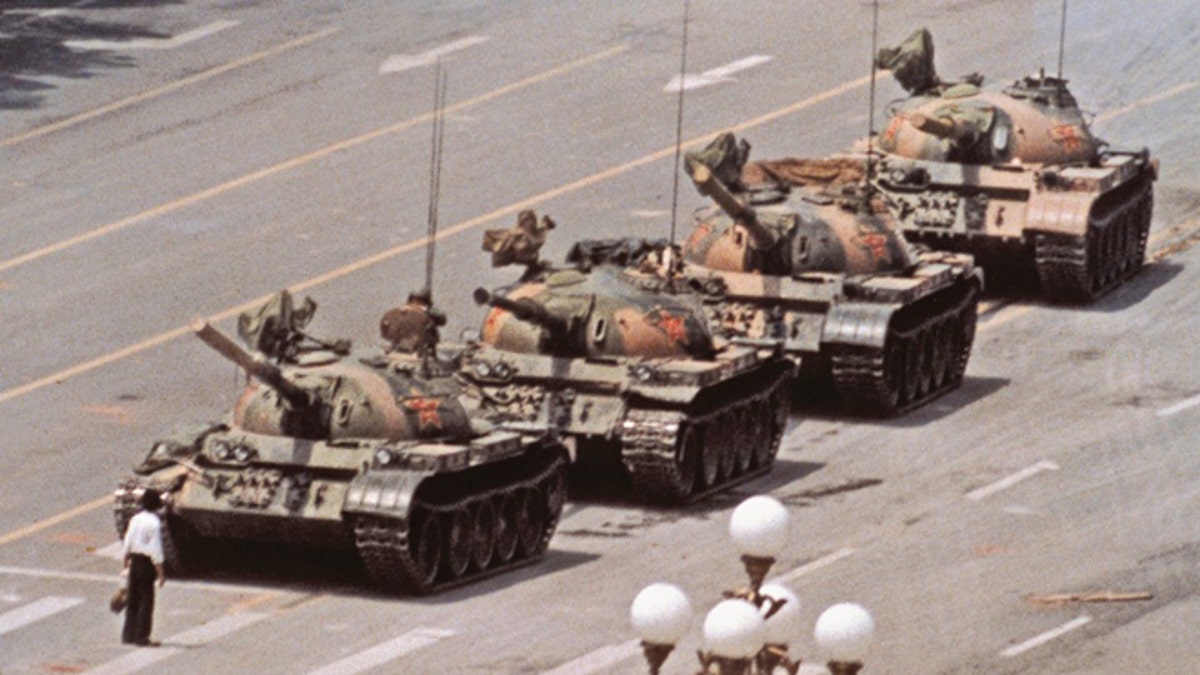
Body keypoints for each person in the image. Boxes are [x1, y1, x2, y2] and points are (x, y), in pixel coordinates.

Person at [121, 489, 165, 647]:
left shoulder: (135, 519)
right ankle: (142, 637)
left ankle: (128, 635)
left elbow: (127, 542)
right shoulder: (154, 523)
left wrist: (125, 562)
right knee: (147, 601)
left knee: (133, 598)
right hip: (147, 564)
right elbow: (156, 550)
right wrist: (161, 573)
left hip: (135, 560)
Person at [379, 288, 446, 356]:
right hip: (403, 340)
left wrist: (426, 311)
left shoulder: (429, 312)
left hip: (424, 342)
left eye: (419, 301)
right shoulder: (404, 312)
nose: (415, 303)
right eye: (413, 301)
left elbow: (442, 320)